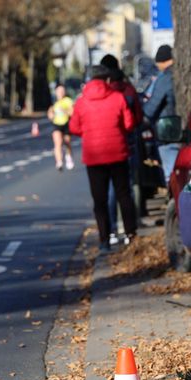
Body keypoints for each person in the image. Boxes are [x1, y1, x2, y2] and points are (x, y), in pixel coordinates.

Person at [69, 65, 136, 252]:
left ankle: (104, 239)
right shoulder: (118, 97)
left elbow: (74, 127)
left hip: (94, 156)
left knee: (100, 200)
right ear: (107, 80)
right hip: (118, 152)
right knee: (123, 194)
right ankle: (130, 234)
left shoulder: (82, 102)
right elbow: (129, 123)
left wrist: (89, 132)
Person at [100, 54, 143, 245]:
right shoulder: (129, 91)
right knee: (127, 189)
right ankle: (130, 230)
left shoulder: (105, 93)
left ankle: (111, 231)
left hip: (103, 148)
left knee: (108, 191)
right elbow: (136, 118)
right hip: (128, 144)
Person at [143, 44, 178, 185]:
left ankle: (175, 202)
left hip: (169, 131)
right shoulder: (178, 74)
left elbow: (152, 107)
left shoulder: (165, 78)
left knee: (171, 174)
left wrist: (143, 115)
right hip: (181, 129)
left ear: (161, 61)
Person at [47, 84, 75, 171]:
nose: (61, 93)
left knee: (67, 142)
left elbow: (72, 112)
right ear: (56, 92)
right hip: (57, 124)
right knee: (57, 143)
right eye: (59, 91)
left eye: (62, 91)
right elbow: (50, 114)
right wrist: (51, 114)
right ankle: (59, 162)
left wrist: (65, 111)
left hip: (66, 123)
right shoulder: (53, 102)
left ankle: (68, 156)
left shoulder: (68, 101)